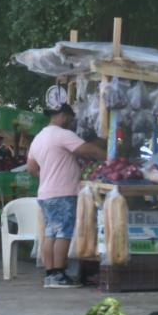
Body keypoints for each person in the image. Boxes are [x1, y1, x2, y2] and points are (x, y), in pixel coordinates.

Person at [26, 103, 105, 288]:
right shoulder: (62, 134)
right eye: (70, 118)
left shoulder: (39, 137)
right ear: (62, 116)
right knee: (63, 234)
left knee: (50, 234)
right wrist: (110, 157)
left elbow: (31, 168)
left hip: (45, 193)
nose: (71, 122)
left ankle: (51, 274)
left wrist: (48, 175)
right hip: (62, 193)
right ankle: (60, 274)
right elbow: (87, 150)